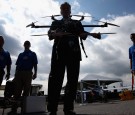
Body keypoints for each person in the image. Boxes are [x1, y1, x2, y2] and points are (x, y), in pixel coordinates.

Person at [47, 2, 99, 115]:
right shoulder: (55, 22)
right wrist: (55, 33)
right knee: (55, 80)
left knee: (72, 81)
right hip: (58, 54)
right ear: (60, 11)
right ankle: (52, 109)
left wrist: (91, 34)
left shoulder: (77, 23)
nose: (65, 10)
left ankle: (68, 108)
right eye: (63, 9)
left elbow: (83, 34)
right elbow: (49, 34)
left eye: (67, 9)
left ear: (70, 11)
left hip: (73, 53)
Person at [8, 40, 38, 115]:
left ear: (30, 45)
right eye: (25, 44)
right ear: (24, 45)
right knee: (16, 91)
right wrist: (15, 75)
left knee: (26, 92)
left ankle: (24, 109)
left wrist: (35, 73)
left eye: (28, 44)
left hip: (28, 73)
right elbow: (17, 65)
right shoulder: (20, 54)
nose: (26, 45)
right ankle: (14, 109)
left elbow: (35, 64)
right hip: (19, 73)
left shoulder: (33, 54)